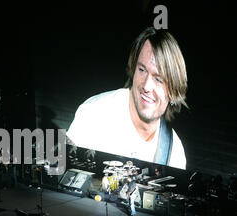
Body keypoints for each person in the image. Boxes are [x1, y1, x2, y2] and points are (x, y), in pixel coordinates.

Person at [67, 27, 188, 169]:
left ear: (173, 92)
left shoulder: (174, 153)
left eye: (159, 79)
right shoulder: (94, 114)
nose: (147, 86)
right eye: (142, 70)